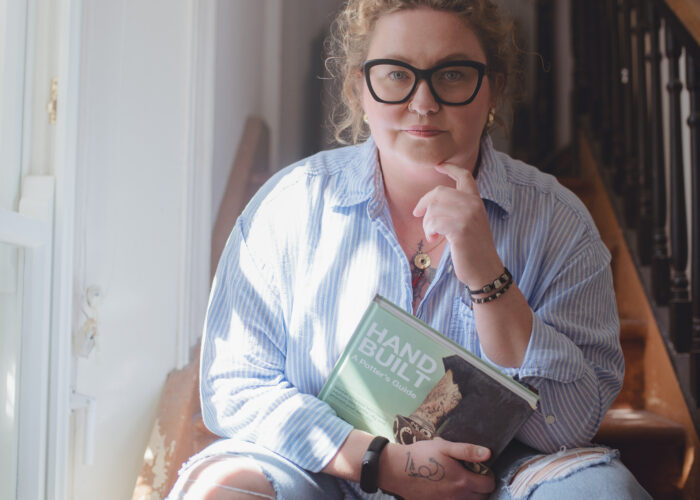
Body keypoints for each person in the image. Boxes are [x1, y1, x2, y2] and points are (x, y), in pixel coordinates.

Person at [168, 1, 652, 498]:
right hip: (323, 472)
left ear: (495, 90)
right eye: (397, 74)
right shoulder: (291, 206)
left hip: (501, 479)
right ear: (359, 89)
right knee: (224, 488)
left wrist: (488, 276)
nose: (423, 103)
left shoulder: (559, 223)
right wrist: (377, 461)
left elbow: (567, 428)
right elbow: (235, 385)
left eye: (454, 74)